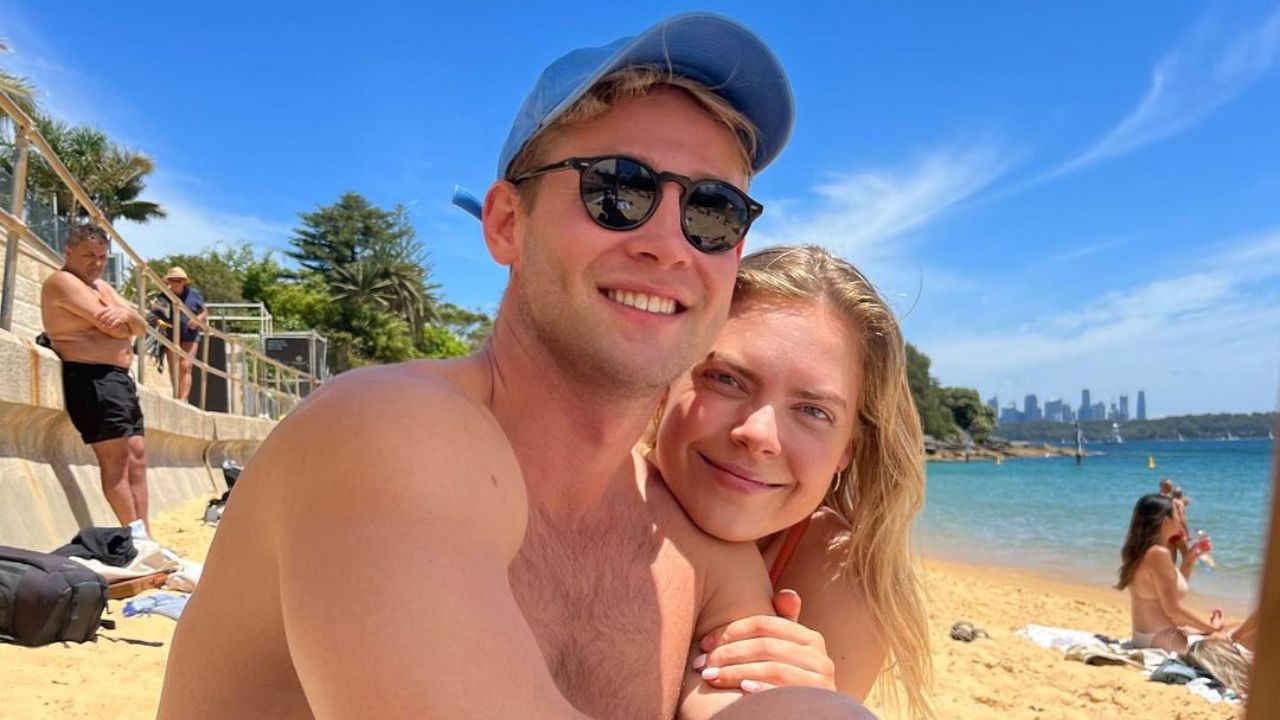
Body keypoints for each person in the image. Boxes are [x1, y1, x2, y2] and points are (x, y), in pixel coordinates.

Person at [160, 14, 869, 720]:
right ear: (506, 224)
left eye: (712, 212)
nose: (668, 245)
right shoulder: (385, 432)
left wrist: (798, 691)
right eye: (617, 190)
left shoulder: (698, 559)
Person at [649, 246, 931, 716]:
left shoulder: (844, 576)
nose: (758, 435)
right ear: (664, 378)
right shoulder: (579, 491)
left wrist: (809, 698)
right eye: (725, 379)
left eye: (813, 411)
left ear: (848, 448)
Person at [40, 222, 152, 539]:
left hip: (119, 379)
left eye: (102, 256)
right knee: (116, 462)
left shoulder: (102, 288)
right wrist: (126, 319)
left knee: (138, 459)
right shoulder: (62, 282)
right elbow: (115, 329)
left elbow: (140, 327)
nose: (97, 263)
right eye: (89, 255)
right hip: (91, 378)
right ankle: (135, 537)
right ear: (69, 252)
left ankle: (147, 536)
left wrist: (129, 317)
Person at [1116, 494, 1222, 651]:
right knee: (1232, 635)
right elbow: (1172, 609)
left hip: (1147, 636)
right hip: (1162, 638)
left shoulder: (1143, 551)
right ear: (1166, 521)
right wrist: (1213, 629)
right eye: (1177, 514)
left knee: (1234, 630)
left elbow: (1173, 590)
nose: (1180, 518)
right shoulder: (1158, 553)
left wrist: (1189, 559)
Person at [150, 266, 207, 402]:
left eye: (179, 280)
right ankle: (176, 396)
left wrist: (197, 320)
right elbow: (154, 315)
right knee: (174, 366)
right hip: (171, 334)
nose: (176, 283)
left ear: (184, 282)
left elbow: (205, 311)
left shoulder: (194, 294)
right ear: (168, 282)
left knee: (185, 366)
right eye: (172, 280)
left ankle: (183, 398)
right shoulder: (163, 296)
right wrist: (158, 321)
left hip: (190, 335)